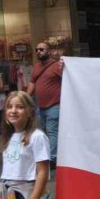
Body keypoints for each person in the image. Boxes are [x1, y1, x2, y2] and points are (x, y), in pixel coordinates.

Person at [26, 42, 62, 170]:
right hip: (40, 106)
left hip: (54, 105)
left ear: (49, 51)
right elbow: (32, 83)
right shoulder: (36, 67)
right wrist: (25, 97)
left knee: (52, 132)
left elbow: (67, 80)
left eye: (42, 49)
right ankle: (48, 156)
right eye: (37, 49)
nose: (38, 51)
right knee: (42, 133)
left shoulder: (57, 66)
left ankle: (51, 158)